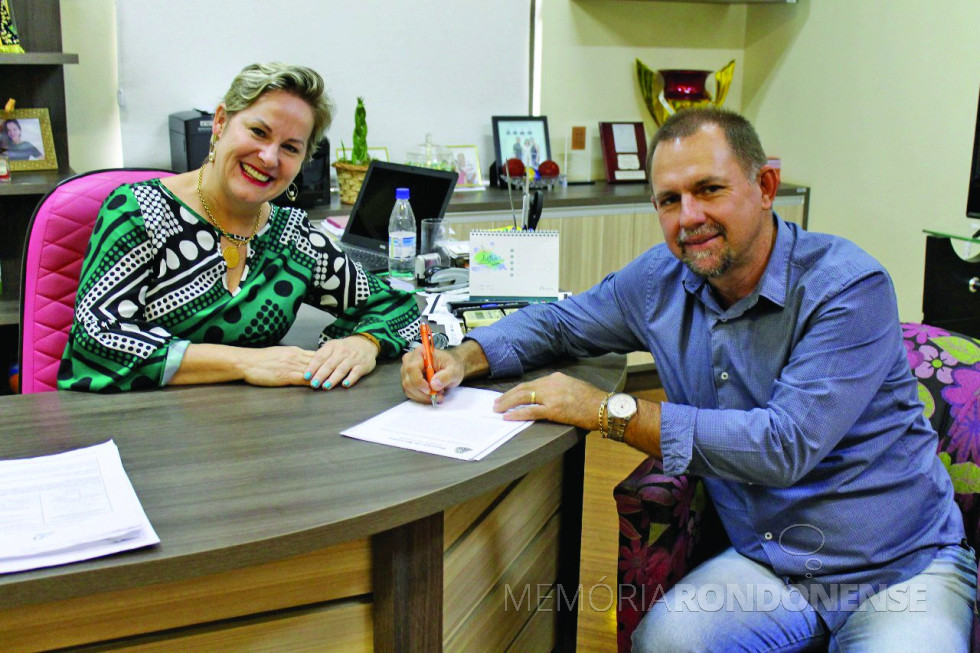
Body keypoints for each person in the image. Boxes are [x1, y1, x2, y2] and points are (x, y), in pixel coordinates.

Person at [402, 107, 975, 651]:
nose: (689, 218)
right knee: (666, 641)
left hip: (901, 567)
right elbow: (562, 321)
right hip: (770, 563)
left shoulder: (847, 287)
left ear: (766, 188)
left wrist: (607, 410)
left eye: (709, 190)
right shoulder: (660, 278)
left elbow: (783, 445)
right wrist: (464, 356)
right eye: (669, 200)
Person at [60, 62, 421, 393]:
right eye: (259, 132)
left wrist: (364, 343)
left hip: (250, 434)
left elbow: (395, 304)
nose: (269, 158)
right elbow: (98, 338)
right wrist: (246, 362)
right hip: (145, 431)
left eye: (290, 148)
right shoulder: (140, 211)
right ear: (220, 123)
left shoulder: (293, 238)